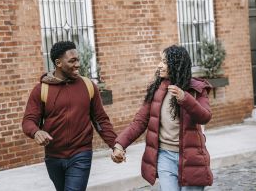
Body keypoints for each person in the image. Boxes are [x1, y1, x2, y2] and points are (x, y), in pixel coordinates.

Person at [111, 45, 213, 191]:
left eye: (165, 62)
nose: (160, 65)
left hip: (191, 158)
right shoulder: (157, 90)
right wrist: (120, 145)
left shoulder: (197, 89)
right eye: (161, 61)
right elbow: (139, 121)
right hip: (165, 156)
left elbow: (205, 117)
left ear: (176, 65)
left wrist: (185, 98)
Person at [22, 41, 117, 191]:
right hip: (53, 157)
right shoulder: (41, 89)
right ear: (58, 63)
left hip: (81, 153)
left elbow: (100, 120)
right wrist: (36, 132)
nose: (78, 64)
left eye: (77, 59)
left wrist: (115, 145)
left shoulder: (88, 85)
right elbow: (28, 121)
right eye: (72, 61)